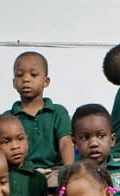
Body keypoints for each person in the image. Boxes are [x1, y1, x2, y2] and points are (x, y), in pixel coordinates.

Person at [6, 52, 73, 186]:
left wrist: (69, 171)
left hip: (53, 172)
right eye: (20, 75)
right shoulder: (8, 118)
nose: (26, 79)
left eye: (33, 75)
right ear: (14, 83)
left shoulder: (58, 112)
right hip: (22, 172)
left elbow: (65, 142)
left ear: (46, 81)